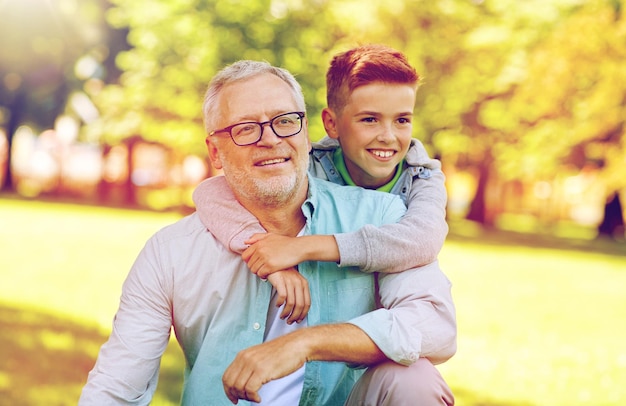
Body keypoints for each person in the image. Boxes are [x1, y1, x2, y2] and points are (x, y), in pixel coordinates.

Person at [79, 60, 456, 405]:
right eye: (246, 128)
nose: (271, 139)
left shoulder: (383, 215)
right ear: (215, 151)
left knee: (414, 380)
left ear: (306, 132)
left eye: (285, 121)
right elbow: (115, 387)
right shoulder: (172, 252)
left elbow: (434, 327)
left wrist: (306, 343)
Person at [193, 44, 448, 325]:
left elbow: (423, 241)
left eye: (402, 120)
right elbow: (210, 192)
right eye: (370, 120)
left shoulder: (422, 178)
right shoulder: (309, 162)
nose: (387, 136)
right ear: (331, 124)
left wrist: (302, 248)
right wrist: (267, 254)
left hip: (389, 311)